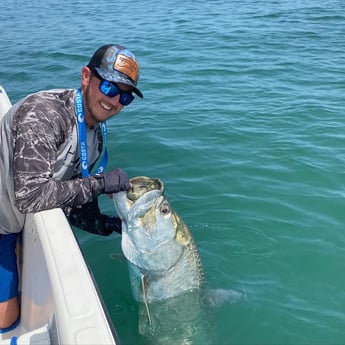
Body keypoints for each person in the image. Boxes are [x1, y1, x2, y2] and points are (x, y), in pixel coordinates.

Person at [0, 44, 143, 332]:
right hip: (3, 226)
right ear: (86, 76)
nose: (114, 100)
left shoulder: (95, 132)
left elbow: (72, 202)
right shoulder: (43, 115)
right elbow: (31, 196)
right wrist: (100, 184)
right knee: (8, 321)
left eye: (125, 96)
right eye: (109, 87)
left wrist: (109, 224)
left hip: (15, 219)